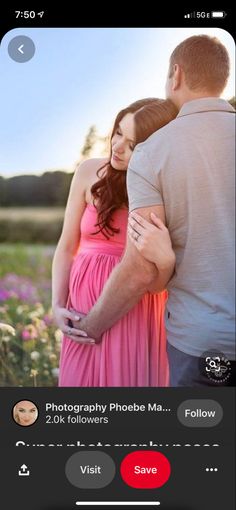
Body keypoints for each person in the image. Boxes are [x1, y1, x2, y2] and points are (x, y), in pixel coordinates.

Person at [71, 35, 235, 387]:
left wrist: (90, 326)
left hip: (201, 343)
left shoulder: (155, 151)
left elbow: (140, 270)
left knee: (204, 440)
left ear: (175, 75)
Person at [52, 98, 178, 386]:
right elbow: (67, 246)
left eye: (132, 144)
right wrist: (57, 305)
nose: (118, 145)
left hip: (134, 310)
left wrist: (166, 261)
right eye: (118, 131)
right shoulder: (88, 171)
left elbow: (155, 283)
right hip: (81, 309)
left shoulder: (161, 191)